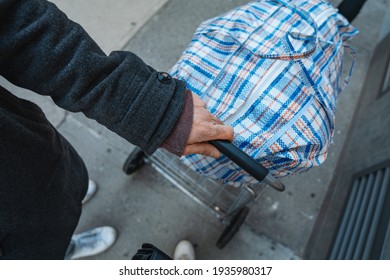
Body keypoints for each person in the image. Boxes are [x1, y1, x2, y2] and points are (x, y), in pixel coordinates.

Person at [0, 0, 233, 260]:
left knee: (59, 193)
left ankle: (64, 236)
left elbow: (16, 26)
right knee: (39, 250)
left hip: (24, 162)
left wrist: (149, 110)